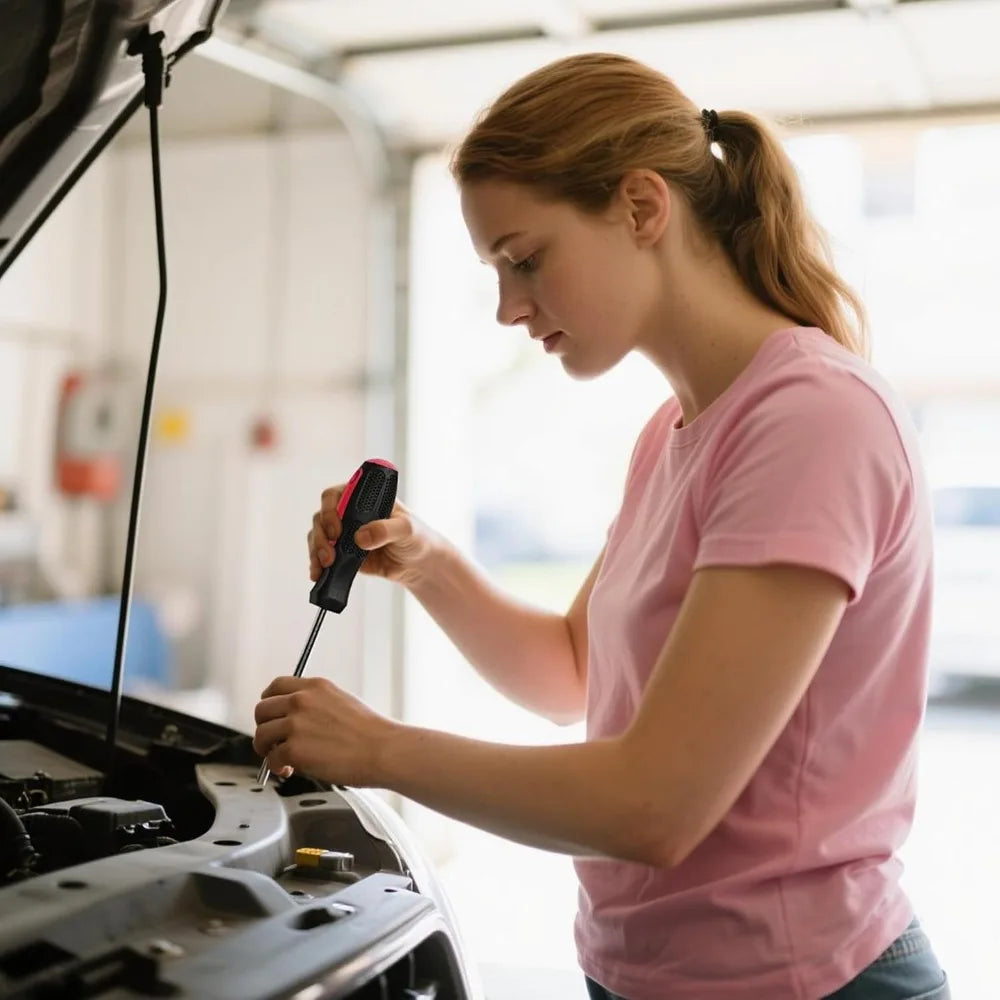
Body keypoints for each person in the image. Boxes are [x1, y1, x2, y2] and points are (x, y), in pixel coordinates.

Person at [253, 53, 950, 1000]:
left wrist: (377, 749)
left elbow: (655, 805)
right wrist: (427, 564)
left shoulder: (809, 420)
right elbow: (573, 676)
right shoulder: (677, 429)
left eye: (524, 258)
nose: (507, 307)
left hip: (800, 981)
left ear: (640, 207)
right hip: (642, 973)